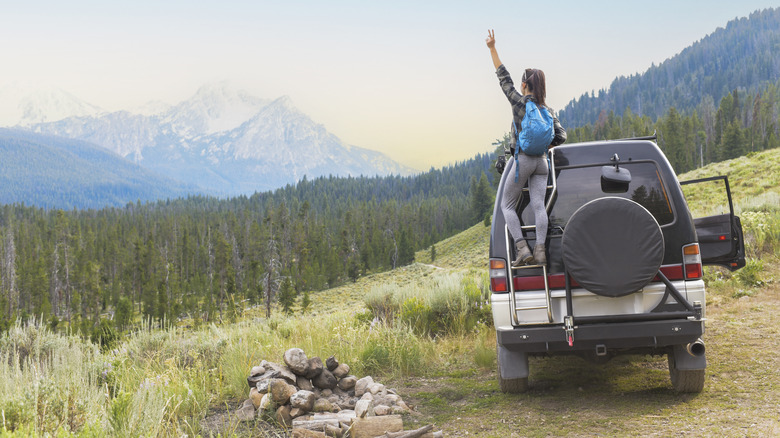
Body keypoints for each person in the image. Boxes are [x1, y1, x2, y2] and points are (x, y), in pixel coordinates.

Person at [486, 29, 566, 268]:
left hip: (524, 161)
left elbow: (503, 78)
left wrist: (492, 48)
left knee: (507, 205)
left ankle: (523, 249)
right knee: (540, 206)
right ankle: (540, 251)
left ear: (524, 85)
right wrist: (543, 145)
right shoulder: (547, 109)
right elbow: (561, 135)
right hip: (542, 163)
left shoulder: (520, 103)